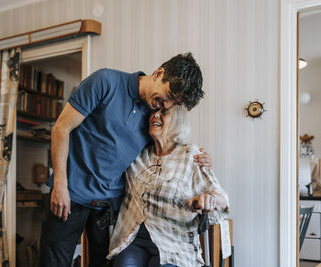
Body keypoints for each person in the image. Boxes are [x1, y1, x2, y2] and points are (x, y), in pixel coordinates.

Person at [39, 53, 211, 267]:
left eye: (174, 103)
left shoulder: (153, 116)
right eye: (168, 95)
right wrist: (60, 185)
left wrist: (199, 160)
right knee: (53, 263)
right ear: (159, 74)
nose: (166, 105)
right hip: (70, 193)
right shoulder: (105, 82)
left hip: (109, 205)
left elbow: (164, 152)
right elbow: (61, 129)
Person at [108, 106, 229, 267]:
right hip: (133, 240)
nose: (155, 115)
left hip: (174, 244)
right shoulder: (136, 154)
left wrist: (209, 199)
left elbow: (223, 199)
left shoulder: (191, 155)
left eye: (163, 112)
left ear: (178, 121)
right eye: (153, 112)